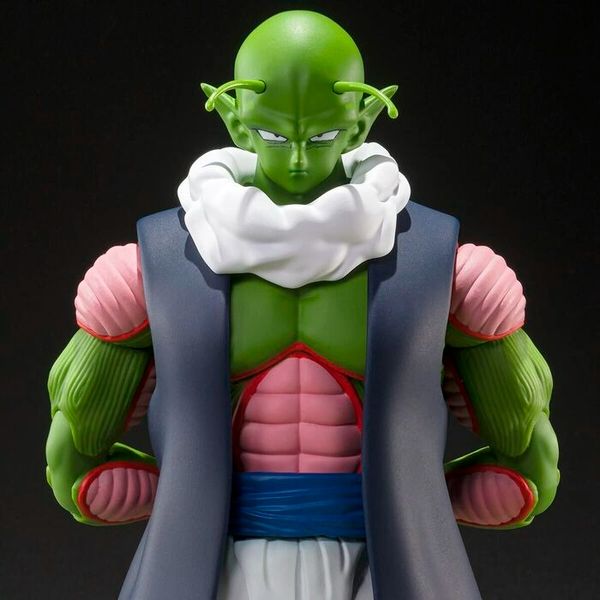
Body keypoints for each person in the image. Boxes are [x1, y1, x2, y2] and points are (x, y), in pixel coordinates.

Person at [46, 11, 559, 600]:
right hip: (214, 563)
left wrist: (430, 502)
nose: (295, 160)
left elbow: (526, 457)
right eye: (272, 136)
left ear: (361, 121)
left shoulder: (440, 267)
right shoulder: (153, 268)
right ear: (234, 119)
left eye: (318, 137)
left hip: (384, 562)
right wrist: (162, 496)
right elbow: (76, 455)